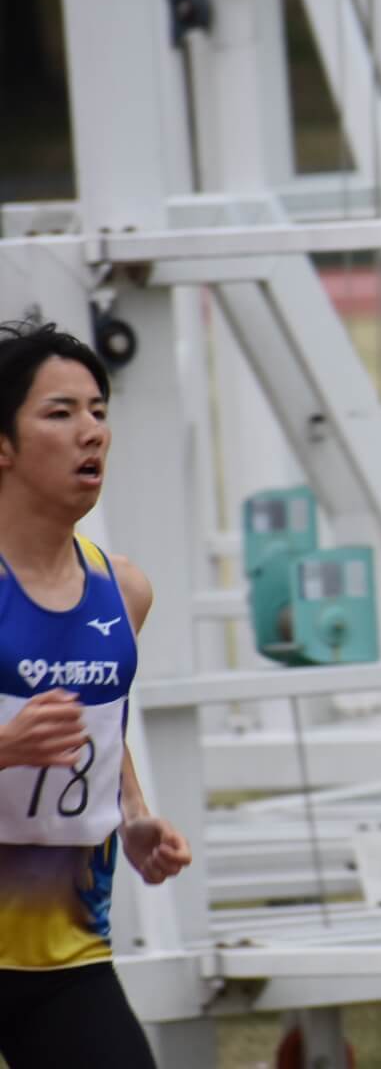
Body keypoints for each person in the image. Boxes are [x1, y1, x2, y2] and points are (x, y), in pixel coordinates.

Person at [0, 321, 192, 1069]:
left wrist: (135, 816)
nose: (92, 433)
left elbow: (101, 723)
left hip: (65, 950)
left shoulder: (124, 588)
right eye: (60, 413)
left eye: (99, 411)